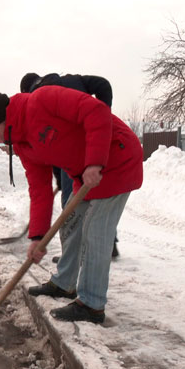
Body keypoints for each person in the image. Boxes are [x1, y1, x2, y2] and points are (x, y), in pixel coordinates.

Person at [0, 87, 143, 323]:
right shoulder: (23, 144)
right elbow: (40, 190)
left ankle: (91, 304)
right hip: (83, 175)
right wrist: (37, 238)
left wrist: (95, 162)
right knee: (71, 224)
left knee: (95, 232)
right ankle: (64, 284)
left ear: (4, 120)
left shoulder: (42, 101)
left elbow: (97, 111)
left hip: (116, 159)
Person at [20, 72, 120, 258]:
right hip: (93, 145)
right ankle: (110, 244)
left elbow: (53, 147)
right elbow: (103, 84)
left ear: (25, 92)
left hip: (76, 151)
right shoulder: (69, 79)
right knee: (98, 196)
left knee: (70, 204)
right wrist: (104, 116)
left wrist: (59, 177)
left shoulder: (37, 99)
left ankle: (70, 254)